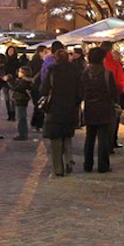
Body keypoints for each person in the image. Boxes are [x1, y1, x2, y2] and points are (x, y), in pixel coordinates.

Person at [41, 49, 83, 177]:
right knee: (67, 135)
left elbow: (44, 89)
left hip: (55, 108)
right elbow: (80, 91)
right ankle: (69, 159)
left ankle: (58, 169)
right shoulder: (76, 70)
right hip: (71, 108)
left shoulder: (53, 70)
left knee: (56, 138)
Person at [81, 47, 119, 173]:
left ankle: (88, 164)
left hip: (90, 108)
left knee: (90, 138)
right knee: (104, 139)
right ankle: (103, 166)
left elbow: (81, 91)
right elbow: (114, 93)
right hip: (104, 108)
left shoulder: (85, 73)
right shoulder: (107, 74)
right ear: (102, 58)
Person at [11, 66, 32, 141]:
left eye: (20, 72)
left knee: (21, 117)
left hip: (21, 100)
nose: (18, 73)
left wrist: (9, 82)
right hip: (22, 100)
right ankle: (23, 133)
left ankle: (22, 134)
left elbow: (17, 88)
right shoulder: (26, 81)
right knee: (22, 117)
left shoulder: (24, 81)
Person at [28, 46, 47, 132]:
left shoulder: (31, 62)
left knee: (37, 104)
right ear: (40, 52)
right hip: (39, 86)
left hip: (33, 86)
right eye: (45, 52)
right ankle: (39, 125)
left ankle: (34, 122)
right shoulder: (42, 63)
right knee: (40, 105)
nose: (45, 54)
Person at [3, 46, 19, 121]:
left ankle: (13, 114)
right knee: (6, 99)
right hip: (5, 82)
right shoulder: (4, 60)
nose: (11, 52)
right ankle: (9, 114)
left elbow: (18, 71)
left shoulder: (17, 61)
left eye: (12, 50)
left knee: (12, 99)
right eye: (9, 50)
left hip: (12, 81)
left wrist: (13, 76)